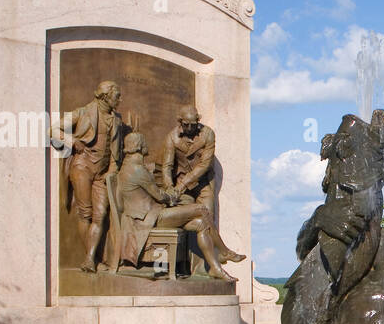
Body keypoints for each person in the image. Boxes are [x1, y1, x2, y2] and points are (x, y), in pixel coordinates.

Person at [113, 133, 236, 281]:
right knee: (201, 209)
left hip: (149, 214)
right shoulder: (137, 170)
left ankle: (215, 269)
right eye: (144, 143)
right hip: (148, 219)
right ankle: (223, 251)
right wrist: (173, 196)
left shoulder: (128, 167)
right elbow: (159, 196)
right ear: (138, 146)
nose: (147, 146)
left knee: (201, 224)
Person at [161, 106, 244, 267]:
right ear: (180, 122)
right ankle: (208, 259)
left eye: (194, 124)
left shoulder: (208, 134)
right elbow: (167, 166)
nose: (190, 128)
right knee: (196, 221)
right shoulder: (172, 138)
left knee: (208, 218)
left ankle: (206, 268)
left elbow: (204, 164)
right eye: (186, 124)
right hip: (180, 185)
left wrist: (182, 185)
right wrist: (170, 187)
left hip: (202, 183)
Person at [57, 80, 123, 272]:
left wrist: (112, 170)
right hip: (82, 166)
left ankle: (89, 258)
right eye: (117, 95)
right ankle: (91, 259)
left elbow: (115, 151)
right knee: (85, 213)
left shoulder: (116, 119)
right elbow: (53, 129)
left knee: (100, 214)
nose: (120, 99)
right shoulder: (83, 112)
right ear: (105, 96)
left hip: (102, 173)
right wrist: (71, 140)